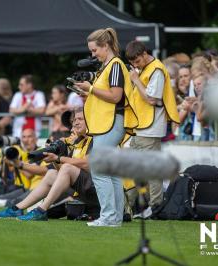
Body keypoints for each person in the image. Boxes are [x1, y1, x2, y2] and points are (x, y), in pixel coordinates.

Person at [74, 28, 138, 227]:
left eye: (94, 50)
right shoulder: (109, 66)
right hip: (107, 123)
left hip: (110, 123)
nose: (93, 54)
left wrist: (90, 88)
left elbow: (115, 97)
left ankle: (109, 217)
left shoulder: (115, 65)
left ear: (106, 46)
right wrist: (87, 91)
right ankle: (115, 217)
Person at [0, 108, 100, 221]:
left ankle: (41, 211)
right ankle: (17, 208)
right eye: (74, 120)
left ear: (90, 120)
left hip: (98, 190)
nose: (75, 123)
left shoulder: (96, 139)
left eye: (80, 119)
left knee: (66, 168)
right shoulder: (79, 143)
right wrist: (54, 157)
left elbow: (87, 165)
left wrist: (58, 157)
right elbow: (62, 172)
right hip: (82, 191)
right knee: (52, 173)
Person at [125, 40, 180, 215]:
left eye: (137, 61)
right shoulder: (147, 68)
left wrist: (135, 79)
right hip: (142, 125)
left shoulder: (156, 69)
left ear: (144, 54)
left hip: (150, 127)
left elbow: (151, 99)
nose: (135, 65)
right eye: (133, 63)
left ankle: (155, 205)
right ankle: (142, 204)